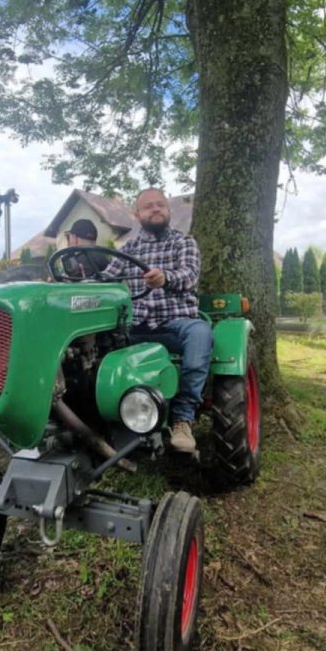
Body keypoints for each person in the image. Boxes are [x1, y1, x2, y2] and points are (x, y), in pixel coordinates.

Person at [104, 188, 213, 454]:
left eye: (160, 205)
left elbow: (190, 275)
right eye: (148, 206)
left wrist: (166, 278)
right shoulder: (128, 249)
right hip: (136, 327)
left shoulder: (183, 242)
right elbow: (105, 279)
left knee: (200, 334)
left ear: (168, 210)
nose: (155, 209)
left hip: (175, 324)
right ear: (137, 214)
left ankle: (182, 419)